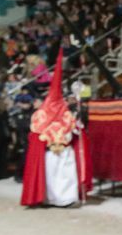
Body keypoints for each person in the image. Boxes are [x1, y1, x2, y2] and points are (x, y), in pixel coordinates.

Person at [20, 49, 91, 207]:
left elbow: (74, 130)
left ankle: (66, 199)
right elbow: (36, 134)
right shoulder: (42, 115)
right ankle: (52, 199)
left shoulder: (63, 115)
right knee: (52, 176)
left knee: (64, 175)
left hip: (63, 151)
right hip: (52, 151)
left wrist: (77, 127)